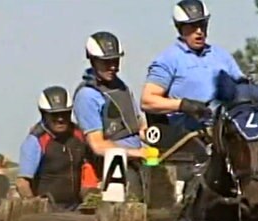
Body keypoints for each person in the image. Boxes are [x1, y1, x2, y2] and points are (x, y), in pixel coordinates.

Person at [140, 0, 246, 187]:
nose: (200, 31)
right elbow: (148, 101)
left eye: (203, 25)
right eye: (193, 26)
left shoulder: (221, 56)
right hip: (189, 137)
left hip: (225, 132)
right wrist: (183, 105)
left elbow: (241, 86)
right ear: (181, 28)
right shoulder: (169, 60)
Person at [73, 31, 148, 200]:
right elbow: (98, 145)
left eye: (115, 61)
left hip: (137, 164)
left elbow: (139, 125)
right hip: (111, 172)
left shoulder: (121, 87)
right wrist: (138, 153)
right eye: (106, 62)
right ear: (92, 60)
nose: (113, 66)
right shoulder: (87, 96)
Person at [16, 85, 99, 211]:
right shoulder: (35, 141)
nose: (60, 119)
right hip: (47, 210)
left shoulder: (79, 135)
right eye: (54, 115)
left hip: (76, 208)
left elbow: (88, 169)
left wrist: (92, 196)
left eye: (64, 114)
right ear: (44, 115)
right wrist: (33, 207)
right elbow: (22, 183)